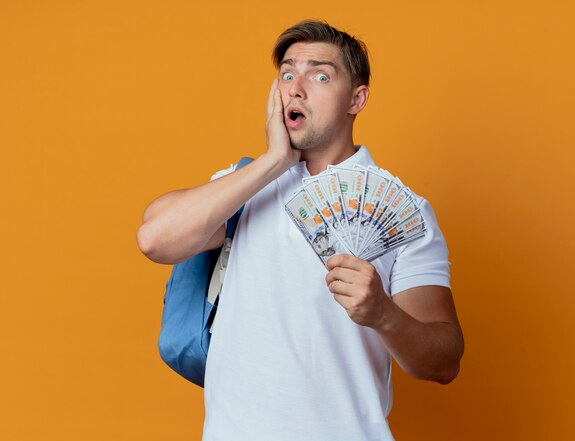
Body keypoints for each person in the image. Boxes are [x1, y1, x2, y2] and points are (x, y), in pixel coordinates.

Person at [137, 20, 464, 441]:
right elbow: (154, 239)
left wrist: (383, 314)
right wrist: (274, 161)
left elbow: (443, 363)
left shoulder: (404, 213)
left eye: (320, 75)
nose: (296, 88)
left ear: (356, 99)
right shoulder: (245, 185)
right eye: (288, 74)